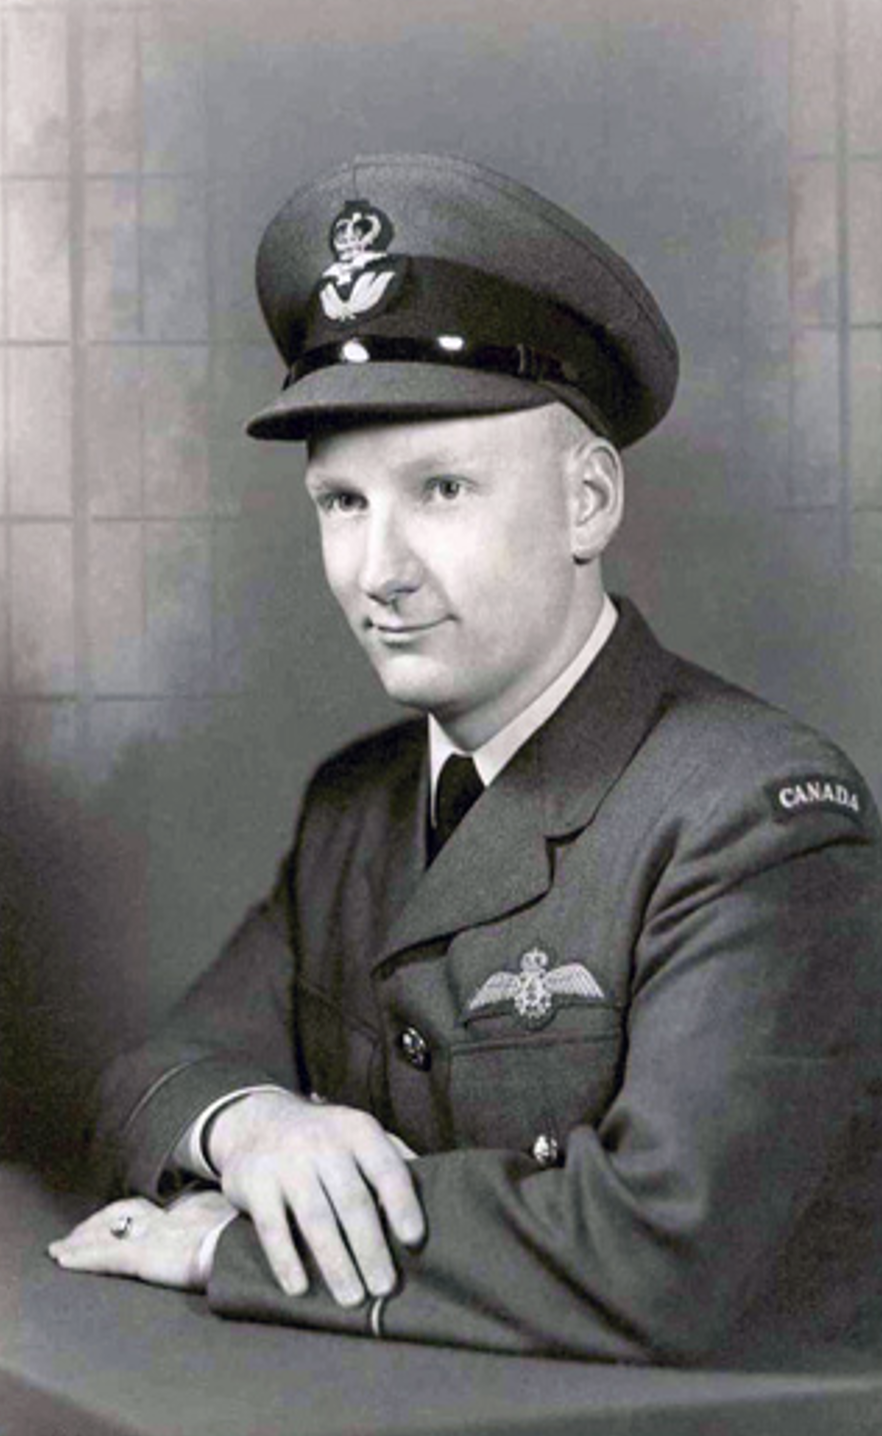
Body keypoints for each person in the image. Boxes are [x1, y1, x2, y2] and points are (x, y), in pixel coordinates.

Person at [50, 152, 882, 1369]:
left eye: (440, 488)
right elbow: (154, 1070)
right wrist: (257, 1127)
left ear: (588, 502)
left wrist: (236, 1242)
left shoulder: (755, 816)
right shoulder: (354, 805)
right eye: (342, 502)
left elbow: (662, 1246)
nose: (379, 570)